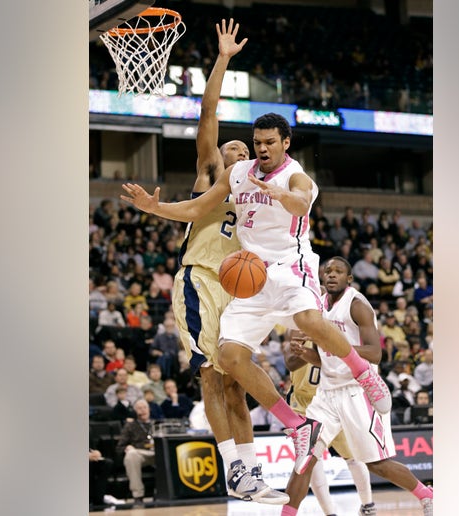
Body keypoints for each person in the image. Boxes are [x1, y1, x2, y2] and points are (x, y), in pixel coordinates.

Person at [121, 107, 393, 476]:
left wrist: (279, 196)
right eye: (257, 142)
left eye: (269, 142)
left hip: (289, 266)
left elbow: (300, 201)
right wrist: (156, 208)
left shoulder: (298, 176)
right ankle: (297, 426)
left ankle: (364, 372)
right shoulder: (237, 173)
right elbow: (198, 207)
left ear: (285, 143)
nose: (262, 148)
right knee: (230, 357)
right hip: (252, 276)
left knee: (308, 320)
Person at [154, 20, 286, 504]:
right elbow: (208, 111)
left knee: (235, 377)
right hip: (199, 279)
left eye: (244, 149)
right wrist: (224, 58)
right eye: (233, 147)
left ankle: (251, 475)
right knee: (211, 373)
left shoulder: (254, 191)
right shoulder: (214, 172)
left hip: (237, 288)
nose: (239, 151)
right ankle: (234, 470)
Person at [280, 257, 433, 516]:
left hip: (358, 391)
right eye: (327, 271)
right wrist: (305, 354)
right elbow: (325, 360)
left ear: (349, 279)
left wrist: (332, 344)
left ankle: (426, 495)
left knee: (377, 465)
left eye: (338, 271)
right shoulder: (318, 307)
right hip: (326, 395)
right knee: (304, 460)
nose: (331, 275)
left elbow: (375, 353)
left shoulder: (357, 305)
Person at [283, 325, 375, 516]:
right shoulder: (298, 330)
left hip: (330, 399)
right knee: (311, 461)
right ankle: (331, 513)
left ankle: (368, 505)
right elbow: (291, 363)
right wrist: (311, 348)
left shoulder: (333, 331)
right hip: (304, 404)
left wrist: (322, 344)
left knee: (352, 457)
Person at [116, 399, 156, 507]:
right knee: (131, 455)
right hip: (141, 453)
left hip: (159, 452)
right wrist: (127, 447)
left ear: (149, 409)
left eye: (144, 408)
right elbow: (119, 447)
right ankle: (138, 496)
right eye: (139, 408)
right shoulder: (130, 426)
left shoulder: (158, 423)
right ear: (135, 411)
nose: (142, 411)